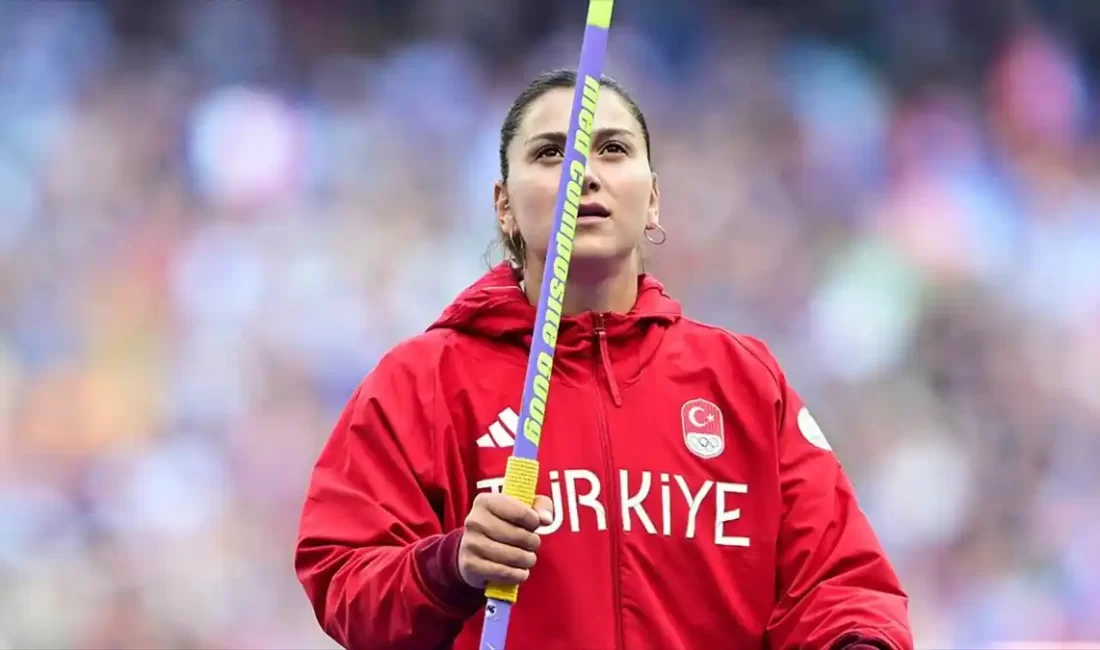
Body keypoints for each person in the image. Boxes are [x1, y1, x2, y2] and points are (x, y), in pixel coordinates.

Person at [295, 68, 914, 650]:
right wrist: (448, 564)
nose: (583, 174)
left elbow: (841, 584)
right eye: (549, 154)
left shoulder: (742, 380)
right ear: (503, 204)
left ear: (653, 200)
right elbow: (342, 576)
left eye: (612, 149)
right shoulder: (422, 381)